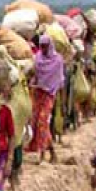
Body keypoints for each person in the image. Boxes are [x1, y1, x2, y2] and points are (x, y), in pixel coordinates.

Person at [26, 35, 64, 164]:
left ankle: (43, 153)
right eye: (41, 46)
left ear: (50, 45)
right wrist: (33, 83)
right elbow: (35, 74)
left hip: (49, 95)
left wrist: (58, 95)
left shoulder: (57, 60)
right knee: (34, 121)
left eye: (45, 46)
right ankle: (51, 151)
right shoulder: (38, 58)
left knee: (43, 122)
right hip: (37, 93)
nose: (43, 48)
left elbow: (59, 79)